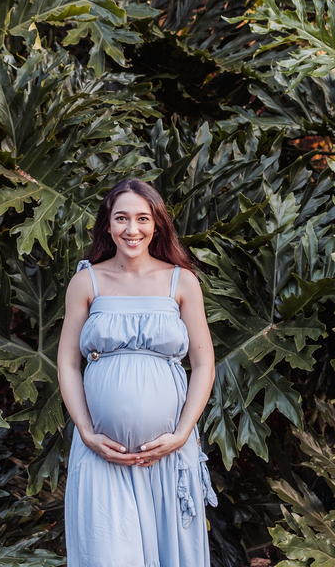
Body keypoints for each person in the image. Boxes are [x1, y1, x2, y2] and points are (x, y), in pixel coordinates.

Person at [58, 178, 218, 567]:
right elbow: (66, 362)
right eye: (122, 218)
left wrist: (181, 435)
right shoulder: (86, 281)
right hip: (101, 456)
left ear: (157, 224)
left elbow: (203, 364)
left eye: (142, 218)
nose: (133, 229)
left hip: (168, 455)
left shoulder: (182, 281)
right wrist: (86, 431)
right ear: (108, 226)